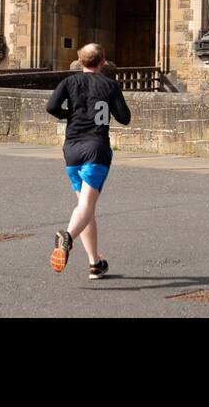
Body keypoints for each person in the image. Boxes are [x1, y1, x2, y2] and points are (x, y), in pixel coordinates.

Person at [46, 44, 132, 280]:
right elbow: (124, 118)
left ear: (79, 60)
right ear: (103, 60)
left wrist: (70, 115)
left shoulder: (69, 82)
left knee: (85, 207)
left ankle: (95, 263)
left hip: (72, 149)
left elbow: (51, 107)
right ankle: (68, 237)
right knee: (85, 206)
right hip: (96, 148)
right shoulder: (110, 85)